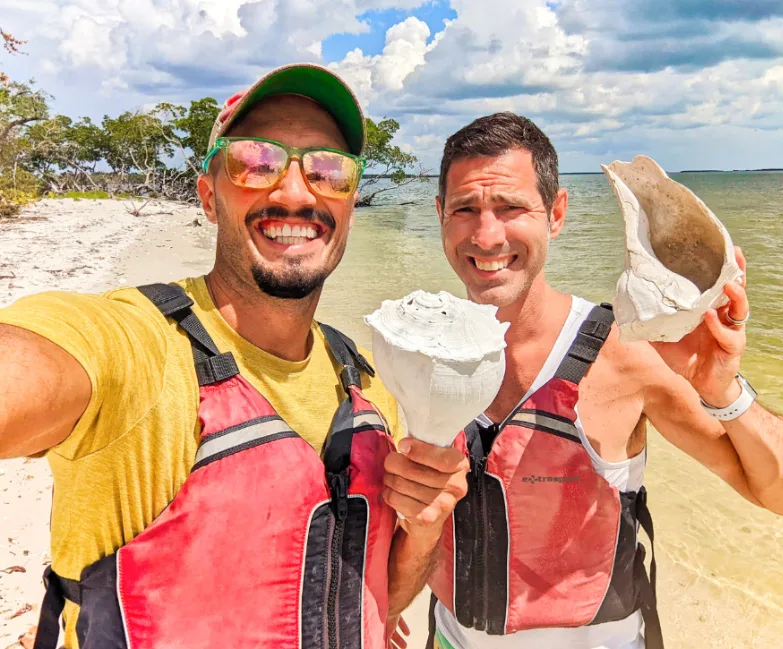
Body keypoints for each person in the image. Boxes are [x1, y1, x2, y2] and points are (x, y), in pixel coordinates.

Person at [0, 64, 468, 649]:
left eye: (328, 170)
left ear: (349, 202)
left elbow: (376, 602)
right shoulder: (139, 348)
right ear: (209, 195)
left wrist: (424, 529)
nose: (296, 193)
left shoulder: (369, 390)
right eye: (257, 162)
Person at [421, 112, 783, 649]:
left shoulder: (626, 356)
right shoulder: (421, 348)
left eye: (512, 207)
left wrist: (724, 390)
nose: (487, 234)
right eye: (465, 209)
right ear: (440, 216)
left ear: (557, 213)